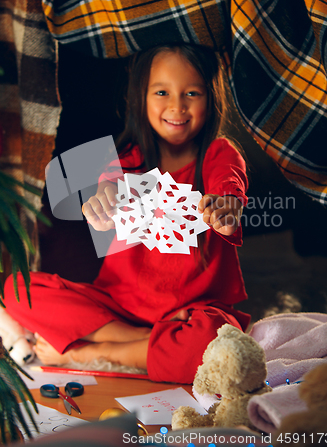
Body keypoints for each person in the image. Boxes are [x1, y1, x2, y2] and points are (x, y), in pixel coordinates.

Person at [4, 43, 250, 384]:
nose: (177, 106)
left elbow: (230, 187)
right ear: (141, 97)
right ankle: (148, 341)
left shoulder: (219, 154)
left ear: (212, 97)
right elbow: (106, 194)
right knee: (17, 289)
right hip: (120, 305)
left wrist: (226, 207)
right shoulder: (125, 160)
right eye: (162, 92)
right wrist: (100, 206)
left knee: (217, 344)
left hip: (193, 311)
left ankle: (88, 352)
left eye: (192, 93)